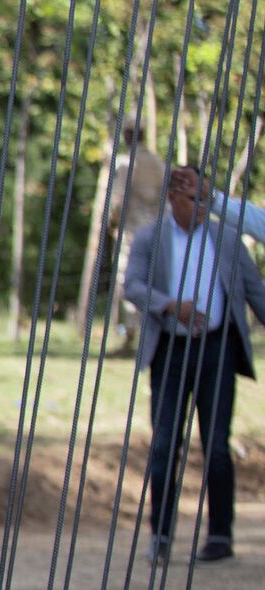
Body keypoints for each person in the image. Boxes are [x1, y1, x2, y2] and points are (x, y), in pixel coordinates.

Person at [120, 166, 265, 564]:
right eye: (193, 199)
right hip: (170, 350)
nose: (201, 207)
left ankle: (220, 535)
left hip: (217, 350)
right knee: (165, 444)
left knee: (217, 445)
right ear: (172, 199)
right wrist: (169, 305)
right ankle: (161, 535)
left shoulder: (229, 239)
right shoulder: (151, 237)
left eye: (205, 199)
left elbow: (255, 292)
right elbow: (132, 285)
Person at [102, 124, 168, 354]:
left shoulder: (126, 163)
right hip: (157, 231)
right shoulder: (158, 163)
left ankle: (132, 337)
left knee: (128, 280)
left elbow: (117, 201)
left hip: (131, 231)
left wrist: (111, 221)